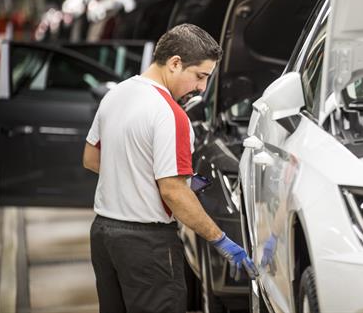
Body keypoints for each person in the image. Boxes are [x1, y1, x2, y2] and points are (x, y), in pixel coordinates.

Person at [82, 23, 257, 313]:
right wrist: (221, 240)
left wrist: (137, 177)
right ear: (175, 63)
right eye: (200, 76)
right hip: (146, 245)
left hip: (104, 236)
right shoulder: (170, 115)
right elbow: (174, 193)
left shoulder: (116, 94)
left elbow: (91, 158)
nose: (202, 88)